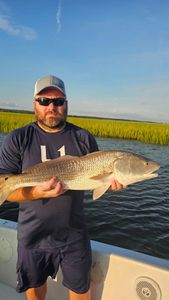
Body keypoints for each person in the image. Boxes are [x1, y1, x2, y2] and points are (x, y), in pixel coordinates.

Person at [0, 75, 123, 300]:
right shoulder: (18, 139)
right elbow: (6, 189)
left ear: (66, 103)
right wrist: (36, 191)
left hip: (74, 236)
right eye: (44, 101)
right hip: (32, 236)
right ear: (34, 103)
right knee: (35, 289)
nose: (52, 107)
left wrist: (110, 181)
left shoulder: (83, 138)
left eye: (58, 101)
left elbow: (95, 181)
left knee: (81, 290)